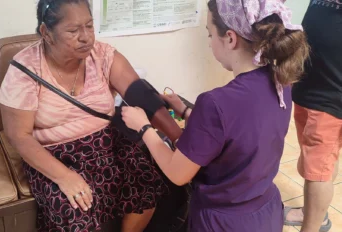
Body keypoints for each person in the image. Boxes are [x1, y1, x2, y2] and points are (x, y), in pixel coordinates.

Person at [121, 0, 309, 231]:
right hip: (265, 213)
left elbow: (177, 173)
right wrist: (186, 111)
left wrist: (143, 127)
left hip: (224, 223)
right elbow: (240, 132)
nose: (209, 44)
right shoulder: (281, 82)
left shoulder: (215, 103)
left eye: (210, 35)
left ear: (230, 38)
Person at [0, 0, 183, 231]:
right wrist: (64, 177)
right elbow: (19, 136)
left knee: (145, 182)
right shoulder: (25, 70)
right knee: (74, 209)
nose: (86, 37)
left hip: (105, 141)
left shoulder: (102, 55)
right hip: (54, 154)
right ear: (46, 32)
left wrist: (179, 138)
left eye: (89, 26)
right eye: (73, 31)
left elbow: (141, 96)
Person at [284, 1, 342, 231]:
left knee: (317, 170)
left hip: (329, 95)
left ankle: (313, 226)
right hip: (310, 85)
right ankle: (314, 213)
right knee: (319, 162)